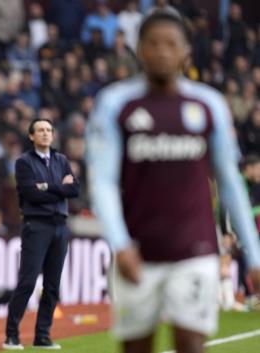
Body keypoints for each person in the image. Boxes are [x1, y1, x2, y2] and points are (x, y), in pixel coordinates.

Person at [86, 11, 260, 353]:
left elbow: (230, 183)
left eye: (171, 43)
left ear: (186, 52)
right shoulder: (115, 104)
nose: (161, 51)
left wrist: (254, 256)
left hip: (195, 250)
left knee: (190, 345)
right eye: (152, 43)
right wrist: (119, 243)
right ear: (139, 49)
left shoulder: (208, 104)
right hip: (137, 250)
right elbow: (102, 182)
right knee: (137, 347)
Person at [3, 118, 80, 350]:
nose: (46, 134)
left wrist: (47, 186)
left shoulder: (61, 159)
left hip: (60, 226)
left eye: (49, 130)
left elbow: (75, 189)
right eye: (41, 130)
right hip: (36, 226)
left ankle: (42, 335)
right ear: (31, 136)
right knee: (27, 282)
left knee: (53, 285)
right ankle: (11, 335)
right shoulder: (24, 162)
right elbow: (31, 194)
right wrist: (60, 187)